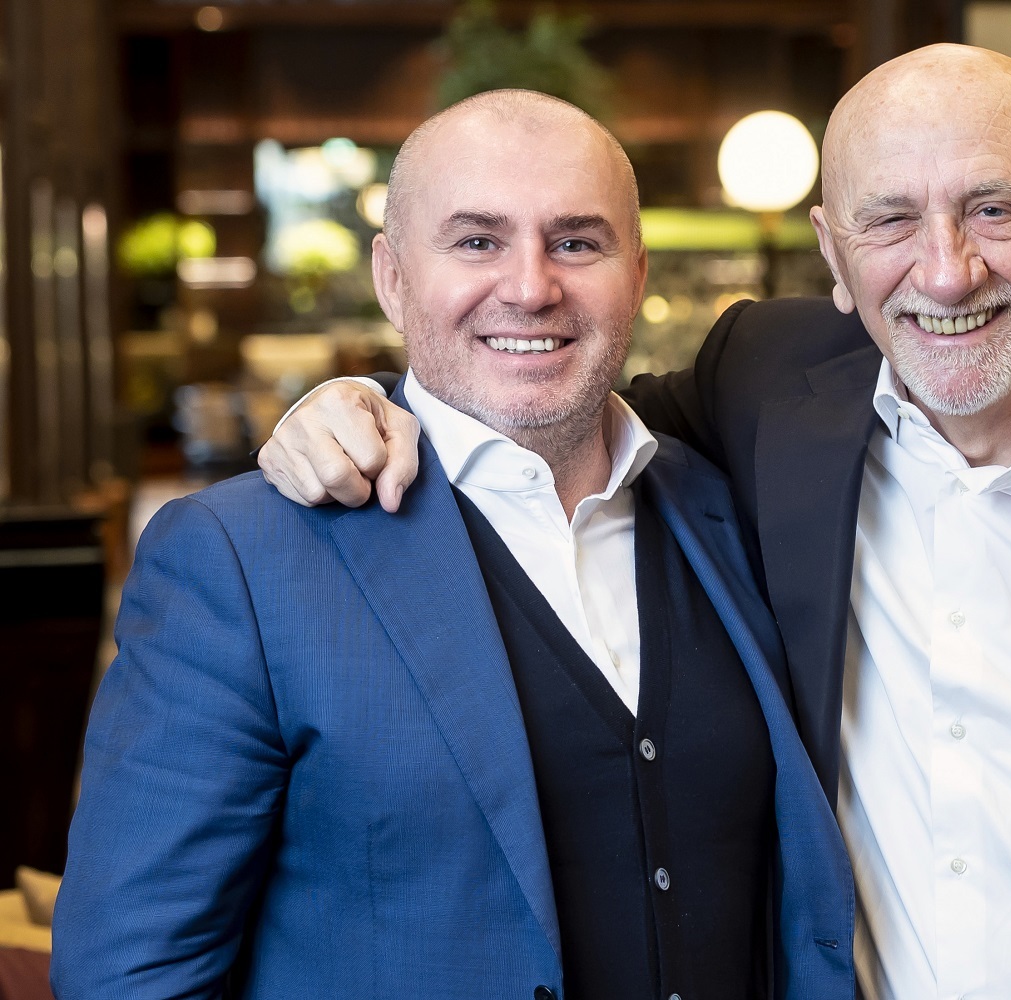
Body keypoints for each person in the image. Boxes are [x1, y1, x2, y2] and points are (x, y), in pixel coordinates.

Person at [259, 46, 1011, 1000]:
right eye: (889, 222)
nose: (946, 272)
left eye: (995, 209)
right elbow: (541, 403)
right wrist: (355, 402)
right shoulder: (764, 391)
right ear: (833, 255)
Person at [51, 91, 854, 1000]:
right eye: (476, 241)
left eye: (576, 243)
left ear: (636, 274)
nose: (530, 287)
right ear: (392, 277)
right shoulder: (239, 560)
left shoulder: (726, 505)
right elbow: (131, 973)